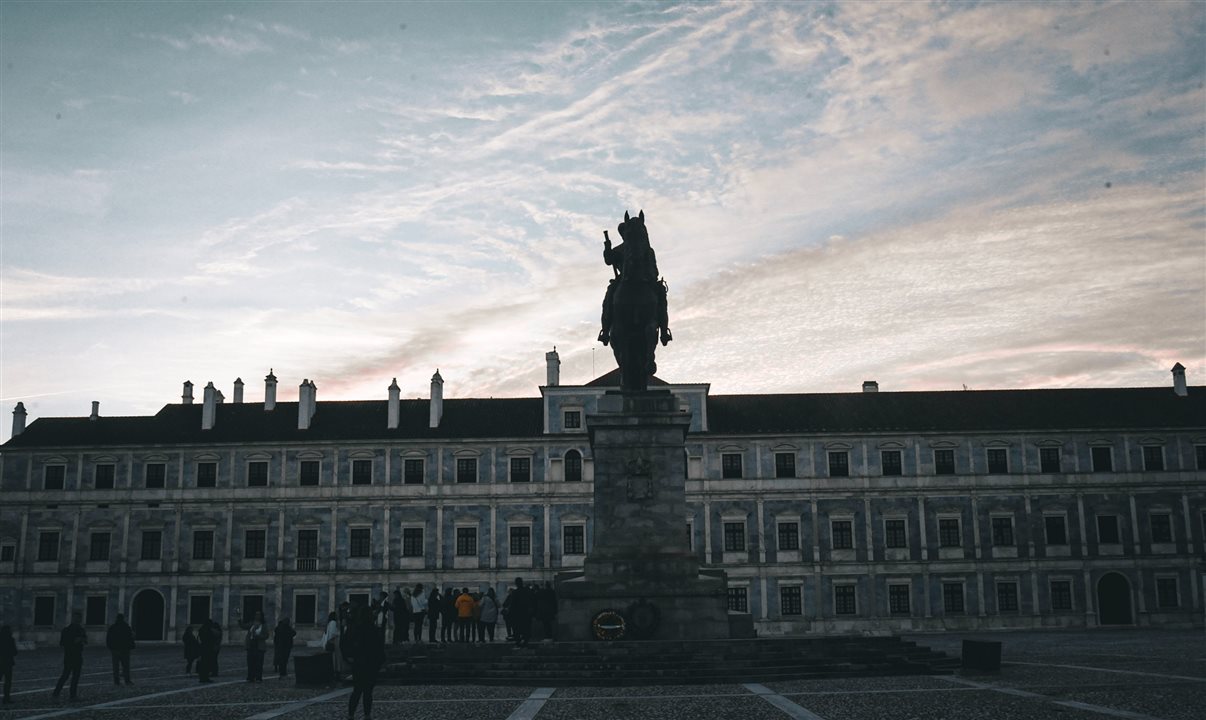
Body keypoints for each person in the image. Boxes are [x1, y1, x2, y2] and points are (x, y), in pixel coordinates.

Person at [342, 606, 384, 720]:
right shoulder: (374, 629)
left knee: (357, 690)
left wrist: (349, 658)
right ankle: (367, 715)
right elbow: (380, 648)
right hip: (371, 664)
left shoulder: (355, 629)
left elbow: (346, 644)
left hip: (359, 663)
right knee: (368, 691)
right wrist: (379, 663)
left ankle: (351, 715)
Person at [52, 611, 86, 699]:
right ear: (73, 619)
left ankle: (73, 695)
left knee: (76, 677)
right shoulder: (66, 630)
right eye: (76, 618)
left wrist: (82, 640)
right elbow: (62, 642)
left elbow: (85, 640)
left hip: (78, 656)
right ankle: (56, 693)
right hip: (69, 655)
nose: (77, 620)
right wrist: (73, 642)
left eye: (79, 618)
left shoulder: (81, 630)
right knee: (65, 675)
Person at [105, 613, 135, 685]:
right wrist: (131, 646)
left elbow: (108, 638)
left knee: (116, 666)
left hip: (115, 649)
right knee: (125, 666)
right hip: (124, 649)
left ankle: (116, 681)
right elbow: (130, 638)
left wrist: (110, 647)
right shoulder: (126, 627)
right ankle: (127, 680)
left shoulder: (113, 627)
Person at [509, 578, 534, 648]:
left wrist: (510, 612)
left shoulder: (515, 592)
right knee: (526, 628)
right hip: (525, 613)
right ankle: (525, 642)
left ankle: (518, 642)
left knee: (517, 629)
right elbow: (531, 602)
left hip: (517, 614)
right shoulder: (527, 591)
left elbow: (512, 604)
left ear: (516, 583)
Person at [244, 612, 268, 682]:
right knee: (250, 662)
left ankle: (258, 677)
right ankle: (250, 677)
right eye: (256, 614)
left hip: (259, 646)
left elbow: (266, 635)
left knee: (259, 663)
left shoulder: (263, 625)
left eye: (259, 615)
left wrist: (259, 636)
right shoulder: (251, 624)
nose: (257, 616)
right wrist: (239, 619)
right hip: (251, 645)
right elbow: (244, 626)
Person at [197, 617, 222, 683]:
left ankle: (203, 677)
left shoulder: (202, 629)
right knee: (206, 663)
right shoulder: (208, 630)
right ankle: (204, 677)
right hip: (208, 649)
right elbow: (216, 635)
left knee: (204, 663)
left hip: (203, 648)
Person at [321, 611, 341, 675]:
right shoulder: (333, 623)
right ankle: (336, 672)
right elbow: (333, 633)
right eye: (336, 615)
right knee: (335, 658)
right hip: (334, 642)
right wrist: (339, 633)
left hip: (331, 642)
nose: (337, 616)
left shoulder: (329, 623)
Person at [0, 624, 17, 705]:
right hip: (8, 663)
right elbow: (15, 652)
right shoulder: (11, 639)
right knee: (8, 682)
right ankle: (6, 699)